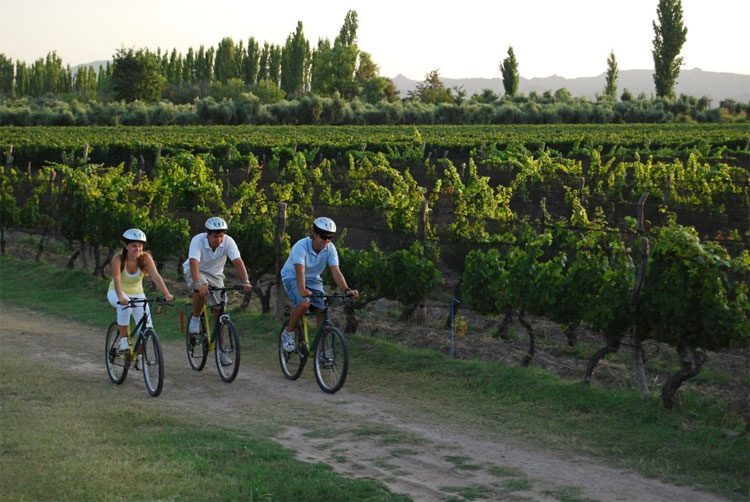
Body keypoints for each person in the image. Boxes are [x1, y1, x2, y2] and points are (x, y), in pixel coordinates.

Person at [280, 217, 358, 351]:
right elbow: (300, 271)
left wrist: (346, 290)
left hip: (313, 279)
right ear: (314, 234)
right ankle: (289, 332)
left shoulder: (330, 249)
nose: (327, 240)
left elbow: (336, 271)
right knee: (304, 303)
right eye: (324, 236)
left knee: (322, 310)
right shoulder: (301, 246)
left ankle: (319, 350)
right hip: (292, 276)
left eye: (330, 237)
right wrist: (302, 290)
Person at [183, 217, 252, 365]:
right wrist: (197, 283)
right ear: (207, 235)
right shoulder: (197, 240)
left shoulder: (228, 242)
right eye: (215, 236)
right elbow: (194, 262)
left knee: (220, 313)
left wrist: (245, 281)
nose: (219, 240)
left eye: (221, 236)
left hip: (216, 275)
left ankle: (222, 350)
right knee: (203, 288)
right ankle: (195, 319)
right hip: (195, 270)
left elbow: (237, 261)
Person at [107, 228, 174, 368]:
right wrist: (121, 296)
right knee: (126, 306)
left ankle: (139, 356)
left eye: (139, 246)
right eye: (133, 245)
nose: (137, 248)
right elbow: (117, 279)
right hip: (116, 292)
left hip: (138, 294)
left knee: (147, 328)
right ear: (126, 246)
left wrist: (166, 293)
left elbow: (156, 276)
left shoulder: (145, 258)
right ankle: (124, 340)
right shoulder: (118, 259)